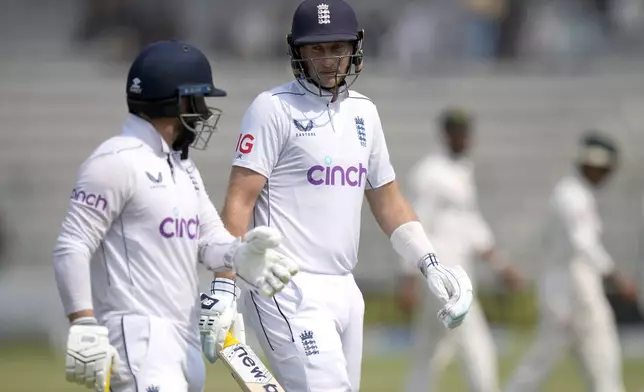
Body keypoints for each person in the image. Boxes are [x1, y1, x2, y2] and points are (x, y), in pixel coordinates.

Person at [199, 1, 475, 391]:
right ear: (298, 52)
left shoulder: (365, 113)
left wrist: (429, 263)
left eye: (337, 48)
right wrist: (224, 285)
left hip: (346, 287)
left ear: (355, 46)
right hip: (285, 287)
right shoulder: (272, 108)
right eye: (317, 49)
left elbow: (387, 198)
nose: (329, 60)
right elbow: (240, 200)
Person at [52, 40, 298, 392]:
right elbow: (72, 245)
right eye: (199, 101)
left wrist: (241, 255)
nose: (203, 113)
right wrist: (84, 323)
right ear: (177, 101)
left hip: (183, 334)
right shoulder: (115, 161)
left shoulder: (182, 168)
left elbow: (210, 238)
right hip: (137, 337)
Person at [398, 108, 523, 392]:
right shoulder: (430, 173)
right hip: (441, 273)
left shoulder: (463, 170)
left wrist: (501, 265)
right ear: (445, 134)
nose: (464, 137)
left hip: (459, 270)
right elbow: (414, 224)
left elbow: (472, 225)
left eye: (466, 132)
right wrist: (406, 276)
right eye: (457, 131)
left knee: (429, 351)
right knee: (476, 345)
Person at [504, 131, 637, 392]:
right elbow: (583, 243)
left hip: (567, 292)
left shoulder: (573, 193)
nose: (608, 175)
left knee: (591, 365)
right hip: (573, 293)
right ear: (593, 164)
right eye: (605, 168)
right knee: (594, 360)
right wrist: (615, 276)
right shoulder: (572, 196)